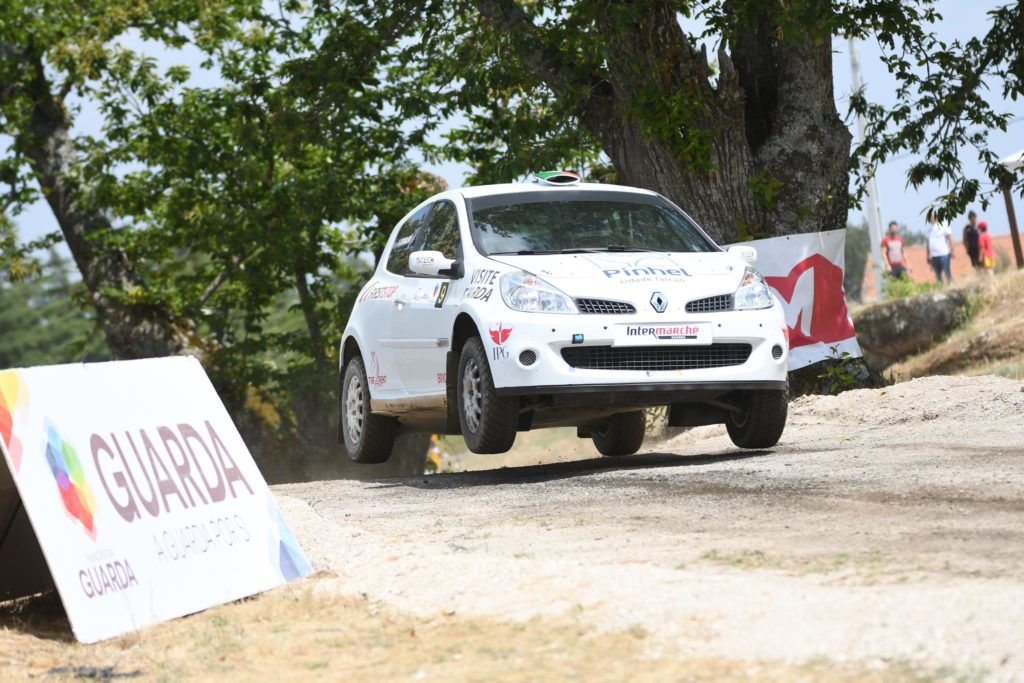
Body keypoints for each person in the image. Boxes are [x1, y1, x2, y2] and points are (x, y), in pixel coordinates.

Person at [926, 209, 954, 284]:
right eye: (930, 216)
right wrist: (928, 254)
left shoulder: (944, 225)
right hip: (934, 256)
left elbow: (950, 238)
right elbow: (928, 243)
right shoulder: (929, 228)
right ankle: (940, 289)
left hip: (944, 254)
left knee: (947, 273)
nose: (931, 218)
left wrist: (952, 250)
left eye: (932, 216)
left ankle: (952, 287)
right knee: (937, 275)